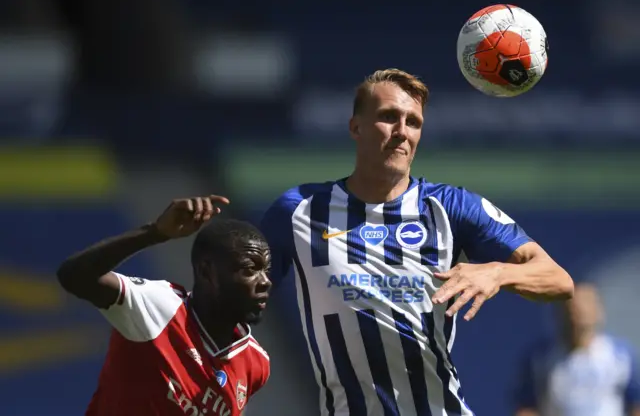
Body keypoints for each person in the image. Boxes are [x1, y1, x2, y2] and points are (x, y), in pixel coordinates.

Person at [259, 68, 574, 415]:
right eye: (388, 117)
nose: (401, 132)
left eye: (413, 122)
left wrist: (497, 272)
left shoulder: (452, 207)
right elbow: (233, 298)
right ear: (355, 127)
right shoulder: (299, 209)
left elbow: (558, 280)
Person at [57, 195, 272, 416]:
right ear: (207, 271)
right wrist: (155, 233)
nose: (265, 281)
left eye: (266, 270)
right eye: (249, 269)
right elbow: (74, 277)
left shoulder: (256, 364)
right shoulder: (159, 306)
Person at [514, 283, 640, 416]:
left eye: (585, 304)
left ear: (599, 311)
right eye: (571, 306)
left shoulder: (622, 355)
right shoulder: (539, 357)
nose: (578, 311)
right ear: (559, 312)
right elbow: (526, 406)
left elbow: (636, 402)